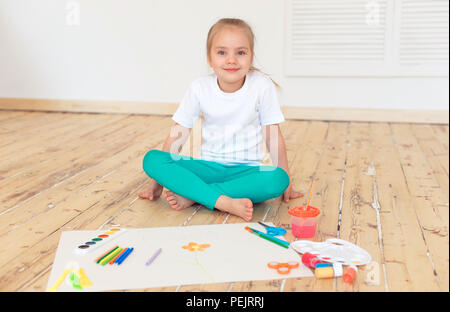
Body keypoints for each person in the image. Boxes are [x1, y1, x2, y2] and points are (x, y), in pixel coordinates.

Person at [139, 18, 303, 221]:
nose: (231, 60)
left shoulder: (262, 86)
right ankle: (223, 201)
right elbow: (178, 134)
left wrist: (287, 182)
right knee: (153, 159)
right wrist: (160, 180)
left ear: (251, 57)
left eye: (240, 52)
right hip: (207, 168)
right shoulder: (199, 88)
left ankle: (197, 196)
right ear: (209, 58)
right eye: (222, 52)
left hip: (247, 172)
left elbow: (273, 135)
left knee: (278, 179)